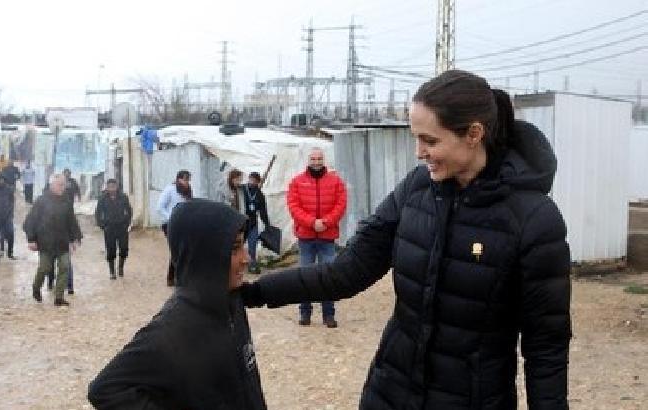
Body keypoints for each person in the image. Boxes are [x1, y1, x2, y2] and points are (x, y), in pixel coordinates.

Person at [241, 70, 572, 410]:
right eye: (416, 138)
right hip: (390, 392)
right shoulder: (416, 189)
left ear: (474, 134)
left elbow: (546, 347)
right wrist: (254, 293)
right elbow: (346, 271)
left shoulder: (534, 220)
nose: (419, 152)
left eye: (430, 141)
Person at [88, 199, 267, 410]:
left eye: (243, 245)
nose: (246, 258)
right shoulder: (172, 330)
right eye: (234, 248)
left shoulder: (231, 301)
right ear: (205, 256)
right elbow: (104, 389)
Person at [286, 147, 347, 328]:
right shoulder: (297, 182)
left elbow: (341, 204)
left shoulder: (336, 182)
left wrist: (326, 222)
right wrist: (312, 222)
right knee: (305, 275)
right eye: (313, 158)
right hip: (306, 237)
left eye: (319, 158)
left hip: (327, 237)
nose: (316, 162)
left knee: (328, 276)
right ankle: (305, 313)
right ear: (308, 160)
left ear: (324, 160)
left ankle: (329, 314)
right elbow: (293, 206)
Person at [23, 173, 83, 307]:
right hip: (45, 242)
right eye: (59, 184)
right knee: (44, 268)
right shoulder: (41, 201)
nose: (62, 187)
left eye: (63, 184)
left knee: (65, 267)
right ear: (52, 185)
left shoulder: (66, 202)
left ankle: (59, 297)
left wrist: (76, 238)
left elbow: (71, 221)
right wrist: (31, 239)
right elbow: (30, 221)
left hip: (62, 242)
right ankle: (36, 288)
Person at [157, 170, 192, 286]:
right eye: (184, 179)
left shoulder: (188, 191)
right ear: (178, 179)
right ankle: (175, 278)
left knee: (183, 250)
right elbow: (160, 208)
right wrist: (171, 218)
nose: (186, 182)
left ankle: (173, 277)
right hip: (170, 225)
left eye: (188, 179)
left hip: (184, 224)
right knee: (177, 250)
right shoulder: (170, 190)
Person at [95, 179, 132, 280]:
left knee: (124, 248)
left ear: (117, 186)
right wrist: (102, 225)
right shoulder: (102, 198)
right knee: (111, 250)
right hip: (109, 228)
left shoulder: (123, 197)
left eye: (114, 186)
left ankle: (120, 267)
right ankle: (112, 271)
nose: (112, 189)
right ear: (107, 187)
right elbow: (98, 213)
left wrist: (127, 223)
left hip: (122, 227)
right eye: (110, 187)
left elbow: (129, 210)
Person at [242, 172, 270, 274]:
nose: (252, 182)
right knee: (238, 244)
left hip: (253, 223)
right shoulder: (242, 190)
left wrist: (267, 224)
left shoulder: (260, 195)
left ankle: (252, 265)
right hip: (241, 222)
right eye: (251, 179)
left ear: (258, 182)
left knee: (252, 245)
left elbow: (263, 211)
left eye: (254, 180)